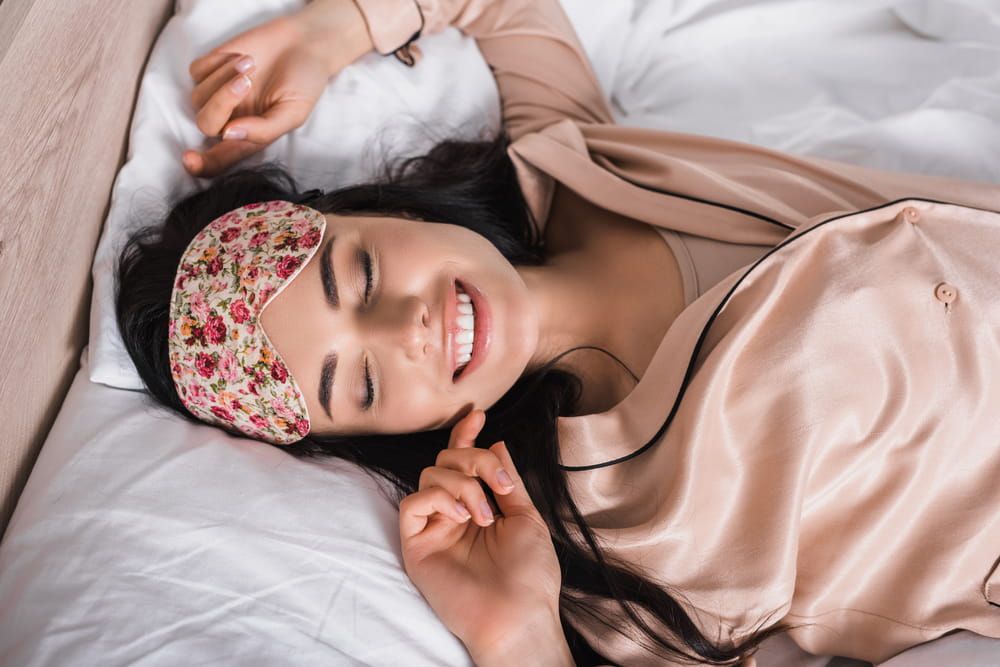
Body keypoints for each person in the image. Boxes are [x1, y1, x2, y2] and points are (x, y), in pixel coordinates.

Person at [115, 0, 1000, 665]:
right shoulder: (608, 539)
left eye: (365, 275)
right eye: (367, 383)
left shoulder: (571, 163)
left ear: (385, 208)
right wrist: (520, 634)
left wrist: (336, 29)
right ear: (381, 436)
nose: (409, 329)